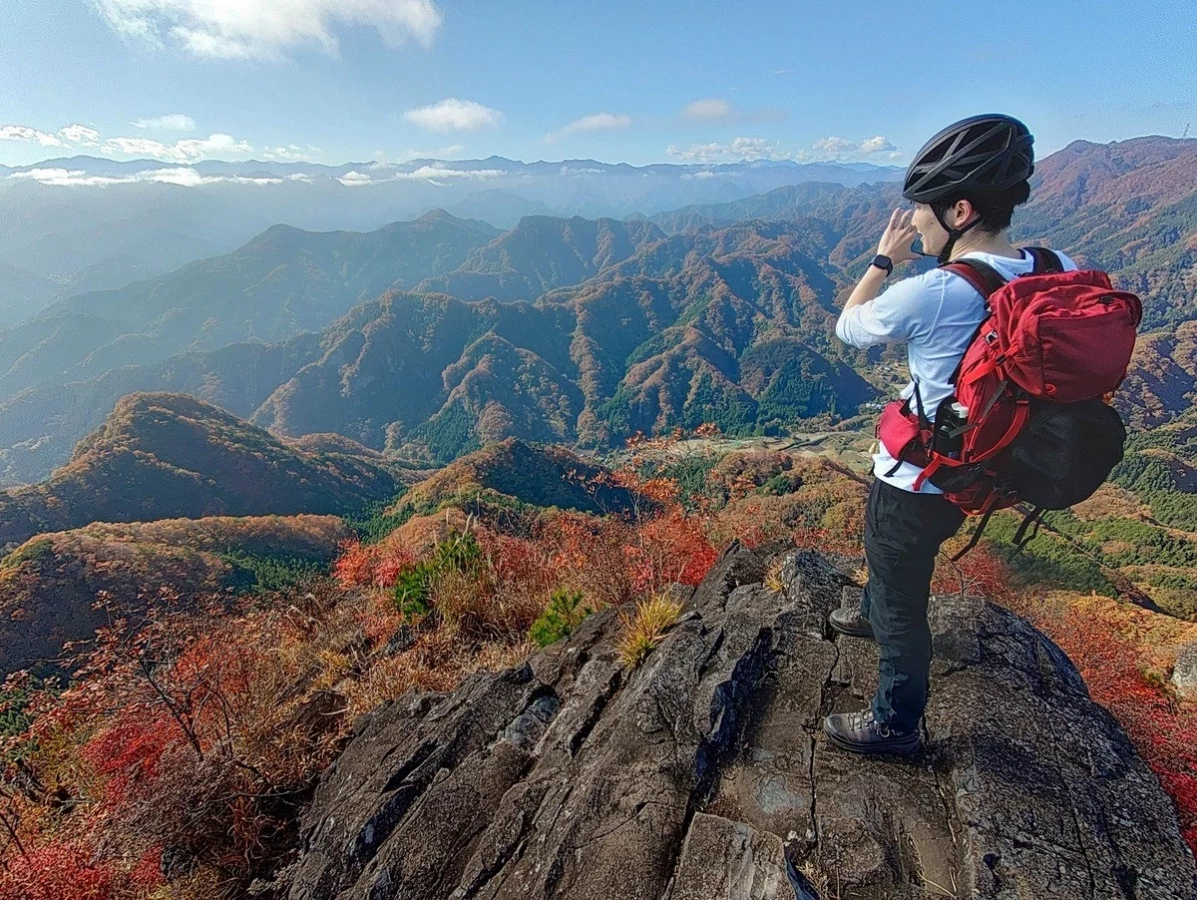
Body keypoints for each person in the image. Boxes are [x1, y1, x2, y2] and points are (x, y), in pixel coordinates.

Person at [822, 114, 1077, 755]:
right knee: (897, 562)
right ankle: (871, 613)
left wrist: (885, 259)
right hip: (983, 471)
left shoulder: (938, 290)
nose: (917, 224)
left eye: (923, 212)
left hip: (916, 476)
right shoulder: (1055, 266)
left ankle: (894, 722)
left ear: (960, 210)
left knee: (902, 591)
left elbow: (848, 327)